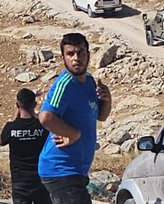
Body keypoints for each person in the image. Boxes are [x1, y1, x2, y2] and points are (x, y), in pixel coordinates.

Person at [38, 32, 112, 204]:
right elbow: (45, 117)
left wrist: (107, 100)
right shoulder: (64, 84)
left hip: (77, 171)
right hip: (60, 168)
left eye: (80, 53)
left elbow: (101, 116)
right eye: (70, 54)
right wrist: (73, 134)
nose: (76, 58)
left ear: (88, 55)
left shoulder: (90, 82)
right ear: (63, 58)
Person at [0, 88, 50, 204]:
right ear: (34, 104)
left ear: (17, 105)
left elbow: (0, 141)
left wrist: (15, 116)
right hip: (40, 179)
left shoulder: (11, 127)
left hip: (19, 181)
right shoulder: (42, 126)